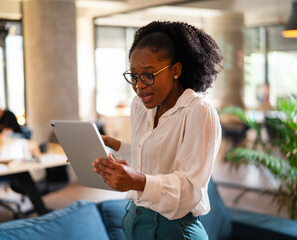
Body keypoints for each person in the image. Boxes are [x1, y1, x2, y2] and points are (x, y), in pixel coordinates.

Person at [92, 21, 223, 239]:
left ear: (176, 70)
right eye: (133, 76)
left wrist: (139, 182)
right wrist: (114, 145)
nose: (139, 85)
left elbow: (190, 189)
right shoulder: (140, 106)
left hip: (174, 229)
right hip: (135, 219)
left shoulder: (198, 111)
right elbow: (151, 160)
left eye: (148, 74)